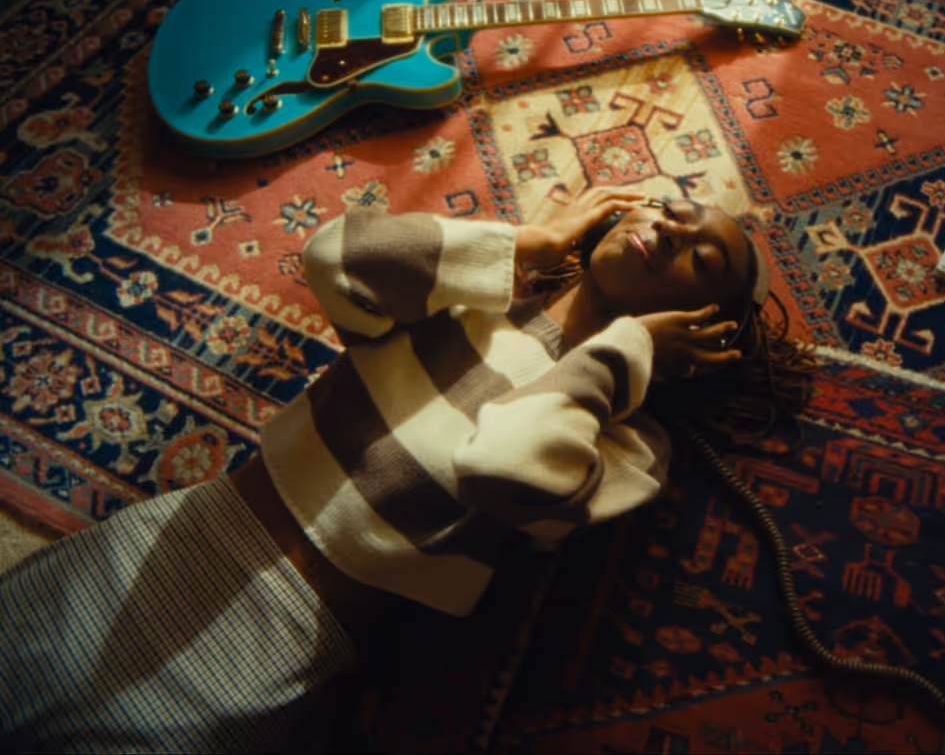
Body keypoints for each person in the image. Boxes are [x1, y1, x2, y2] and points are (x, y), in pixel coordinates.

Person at [0, 187, 818, 754]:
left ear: (705, 327)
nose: (674, 228)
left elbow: (508, 467)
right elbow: (335, 258)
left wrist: (626, 351)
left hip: (272, 647)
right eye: (671, 208)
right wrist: (526, 243)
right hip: (169, 541)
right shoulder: (476, 297)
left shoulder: (631, 444)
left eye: (703, 256)